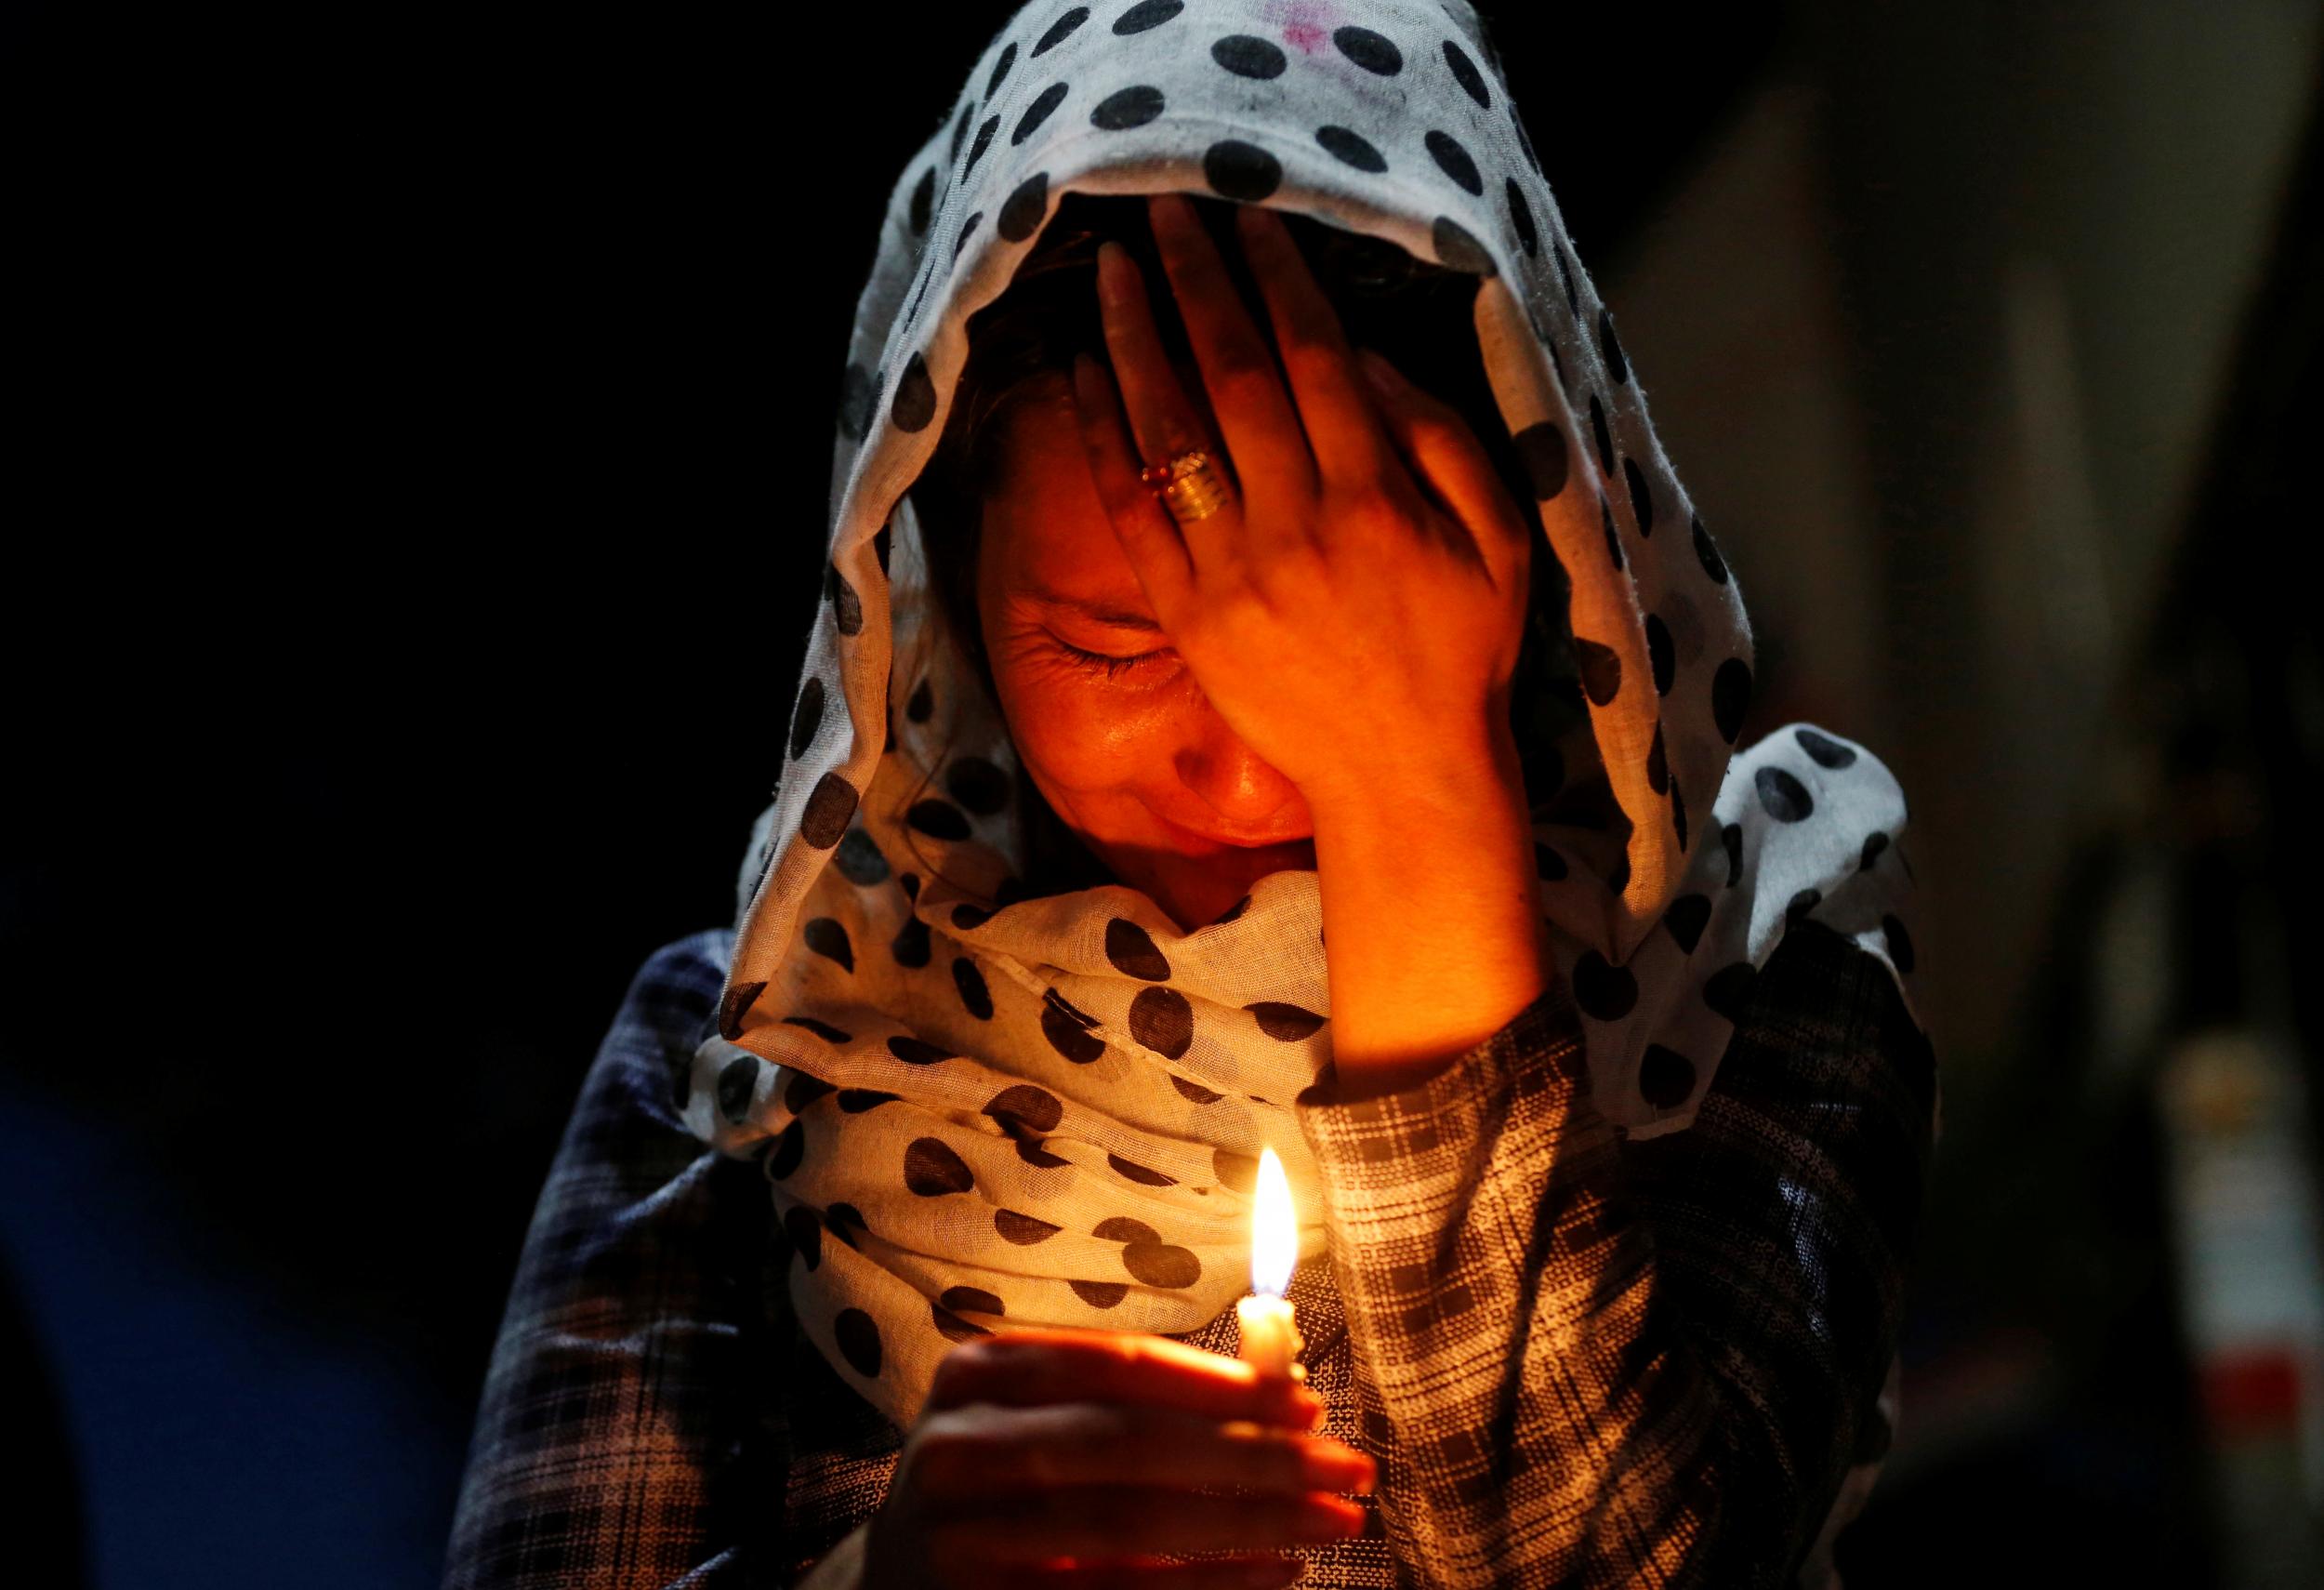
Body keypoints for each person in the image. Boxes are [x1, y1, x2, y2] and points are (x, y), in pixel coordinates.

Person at [442, 4, 1940, 1587]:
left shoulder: (1759, 956)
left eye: (1351, 627)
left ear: (1546, 535)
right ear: (931, 598)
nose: (1242, 768)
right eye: (1111, 650)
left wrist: (1413, 792)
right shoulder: (759, 1060)